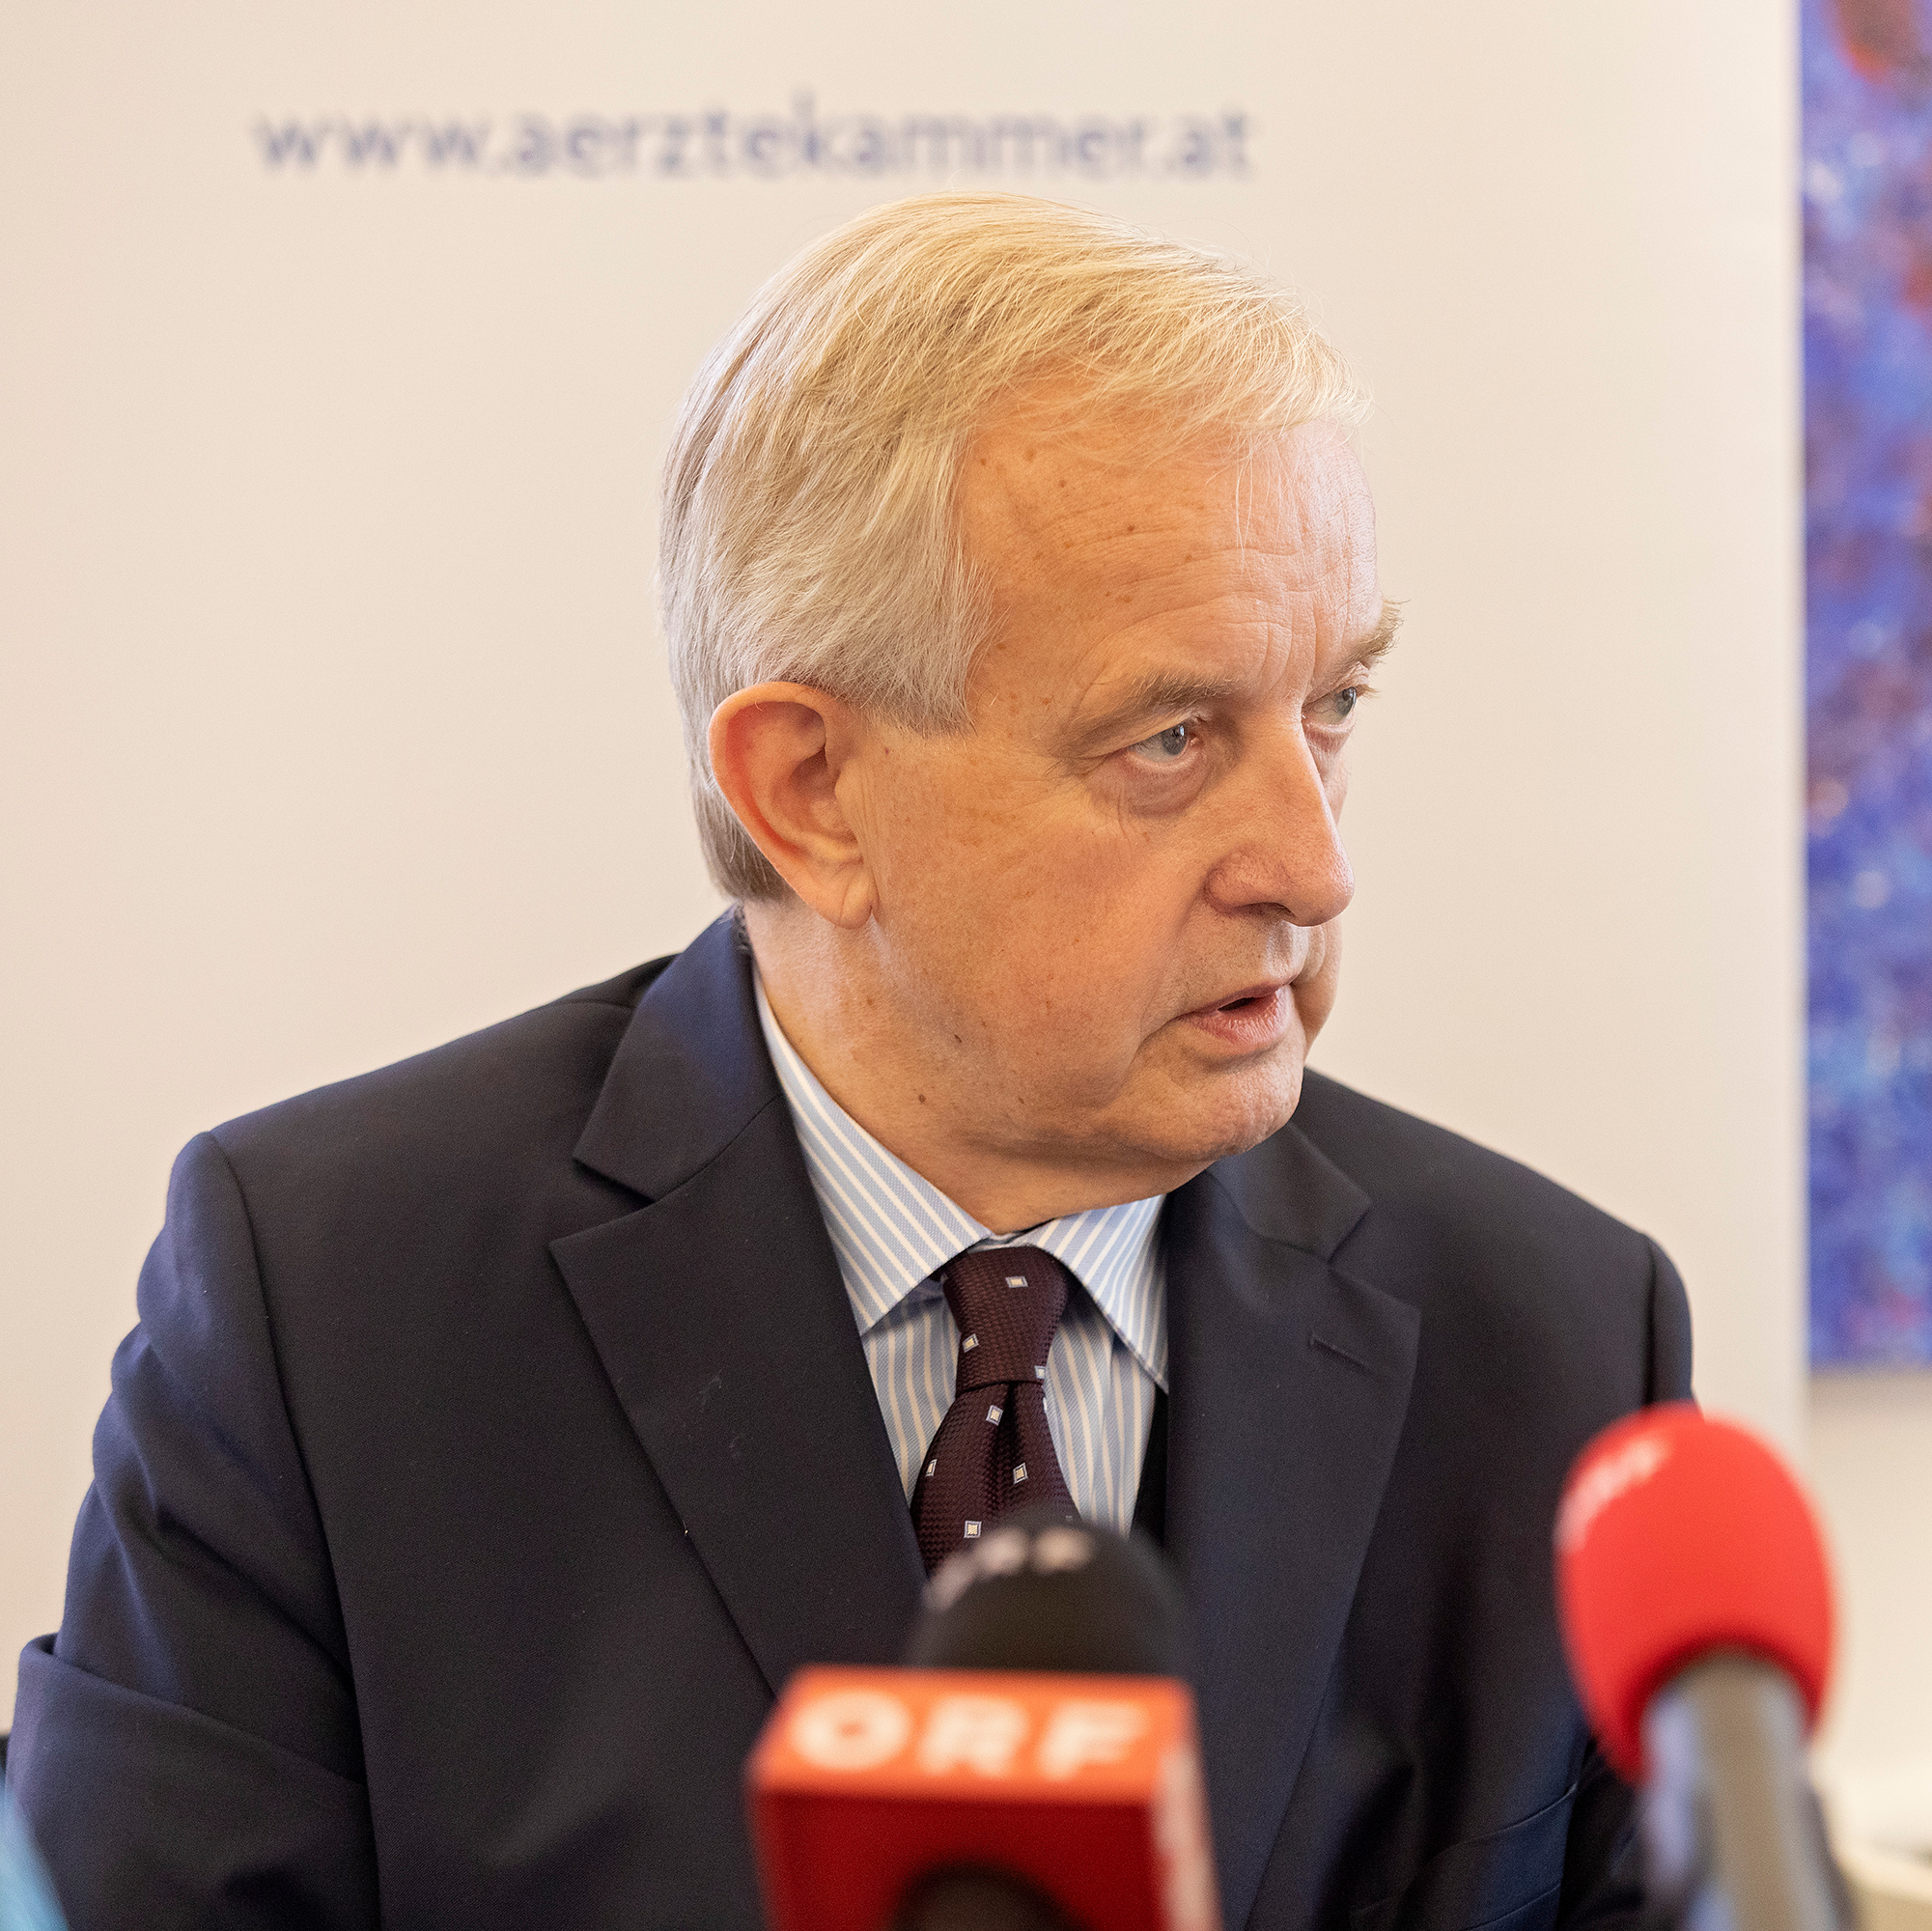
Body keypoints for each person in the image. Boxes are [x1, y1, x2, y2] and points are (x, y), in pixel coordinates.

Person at [12, 193, 1691, 1930]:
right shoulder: (329, 1304)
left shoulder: (1555, 1341)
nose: (1315, 867)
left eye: (1332, 706)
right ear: (810, 791)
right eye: (1172, 738)